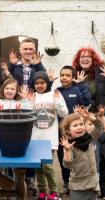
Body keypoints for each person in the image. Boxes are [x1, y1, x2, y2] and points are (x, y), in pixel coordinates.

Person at [72, 47, 105, 200]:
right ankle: (84, 187)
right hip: (83, 119)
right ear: (78, 60)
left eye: (88, 56)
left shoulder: (101, 74)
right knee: (84, 153)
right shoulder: (75, 73)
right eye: (82, 57)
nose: (85, 59)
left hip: (101, 116)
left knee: (104, 154)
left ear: (93, 58)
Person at [29, 71, 68, 200]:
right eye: (37, 83)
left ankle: (53, 192)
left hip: (49, 139)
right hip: (35, 138)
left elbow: (64, 113)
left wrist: (57, 101)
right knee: (39, 168)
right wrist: (28, 102)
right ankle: (42, 192)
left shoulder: (55, 94)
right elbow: (27, 115)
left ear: (47, 83)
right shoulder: (32, 95)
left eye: (42, 83)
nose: (39, 85)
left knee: (47, 167)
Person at [56, 65, 91, 195]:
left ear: (72, 78)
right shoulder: (56, 91)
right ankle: (66, 183)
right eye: (62, 75)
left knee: (79, 159)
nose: (64, 77)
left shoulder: (77, 90)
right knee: (64, 158)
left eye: (67, 75)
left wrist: (81, 84)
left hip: (78, 132)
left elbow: (86, 100)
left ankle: (80, 183)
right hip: (62, 132)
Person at [59, 112, 103, 200]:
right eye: (75, 125)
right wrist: (67, 150)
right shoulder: (70, 145)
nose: (79, 127)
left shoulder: (90, 138)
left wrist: (89, 116)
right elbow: (67, 165)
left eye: (81, 124)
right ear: (68, 130)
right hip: (78, 187)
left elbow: (99, 126)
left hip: (92, 184)